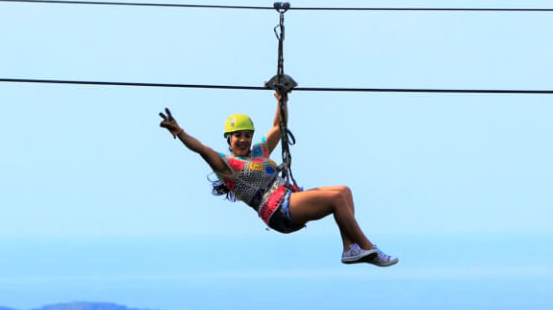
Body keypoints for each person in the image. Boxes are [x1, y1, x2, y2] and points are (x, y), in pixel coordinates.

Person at [158, 97, 397, 267]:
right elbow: (201, 149)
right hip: (277, 210)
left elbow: (277, 126)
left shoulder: (259, 152)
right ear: (228, 140)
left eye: (247, 135)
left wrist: (282, 98)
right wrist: (180, 132)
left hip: (288, 200)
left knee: (344, 191)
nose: (243, 140)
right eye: (237, 136)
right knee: (335, 198)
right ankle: (368, 247)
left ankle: (350, 248)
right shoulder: (226, 165)